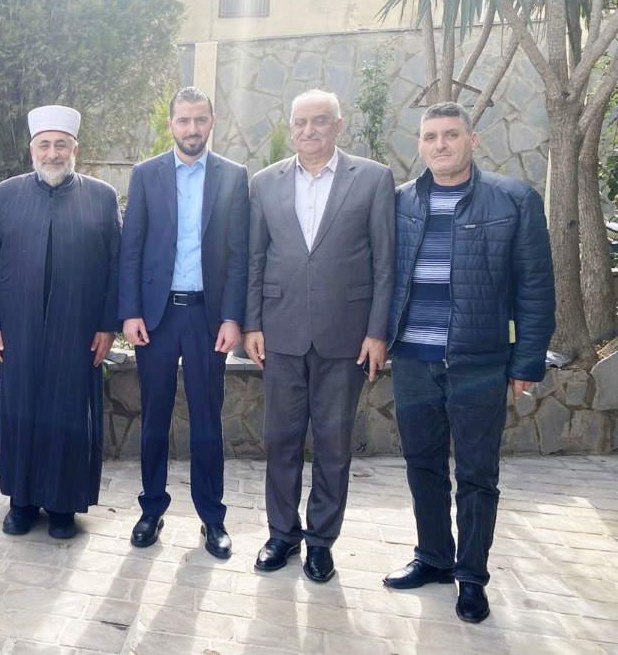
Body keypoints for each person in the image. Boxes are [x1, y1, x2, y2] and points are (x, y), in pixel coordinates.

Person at [383, 102, 554, 623]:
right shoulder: (400, 202)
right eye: (430, 136)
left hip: (480, 363)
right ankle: (434, 557)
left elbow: (535, 287)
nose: (441, 144)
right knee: (423, 465)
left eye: (451, 134)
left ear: (472, 140)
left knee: (478, 474)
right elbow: (381, 276)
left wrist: (527, 362)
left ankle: (472, 576)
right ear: (420, 144)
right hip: (413, 359)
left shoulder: (514, 200)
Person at [243, 90, 395, 581]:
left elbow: (385, 264)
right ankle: (282, 533)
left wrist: (377, 332)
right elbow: (255, 259)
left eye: (320, 121)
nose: (308, 130)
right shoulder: (265, 183)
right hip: (280, 333)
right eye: (300, 122)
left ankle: (321, 541)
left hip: (345, 336)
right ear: (291, 126)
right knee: (280, 440)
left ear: (338, 125)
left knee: (333, 442)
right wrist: (252, 324)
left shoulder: (372, 179)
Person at [0, 105, 121, 540]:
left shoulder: (102, 197)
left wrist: (107, 325)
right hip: (17, 328)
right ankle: (21, 503)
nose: (53, 153)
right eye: (45, 145)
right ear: (32, 150)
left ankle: (63, 506)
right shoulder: (5, 195)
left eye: (61, 145)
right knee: (19, 412)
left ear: (75, 149)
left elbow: (117, 267)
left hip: (78, 330)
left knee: (69, 413)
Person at [118, 87, 249, 558]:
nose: (192, 129)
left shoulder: (233, 176)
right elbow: (131, 247)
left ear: (212, 121)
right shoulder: (145, 174)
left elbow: (239, 254)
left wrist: (232, 317)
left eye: (200, 120)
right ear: (171, 124)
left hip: (208, 318)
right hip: (155, 318)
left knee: (207, 418)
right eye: (183, 120)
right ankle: (151, 508)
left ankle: (212, 517)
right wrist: (130, 311)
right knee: (153, 415)